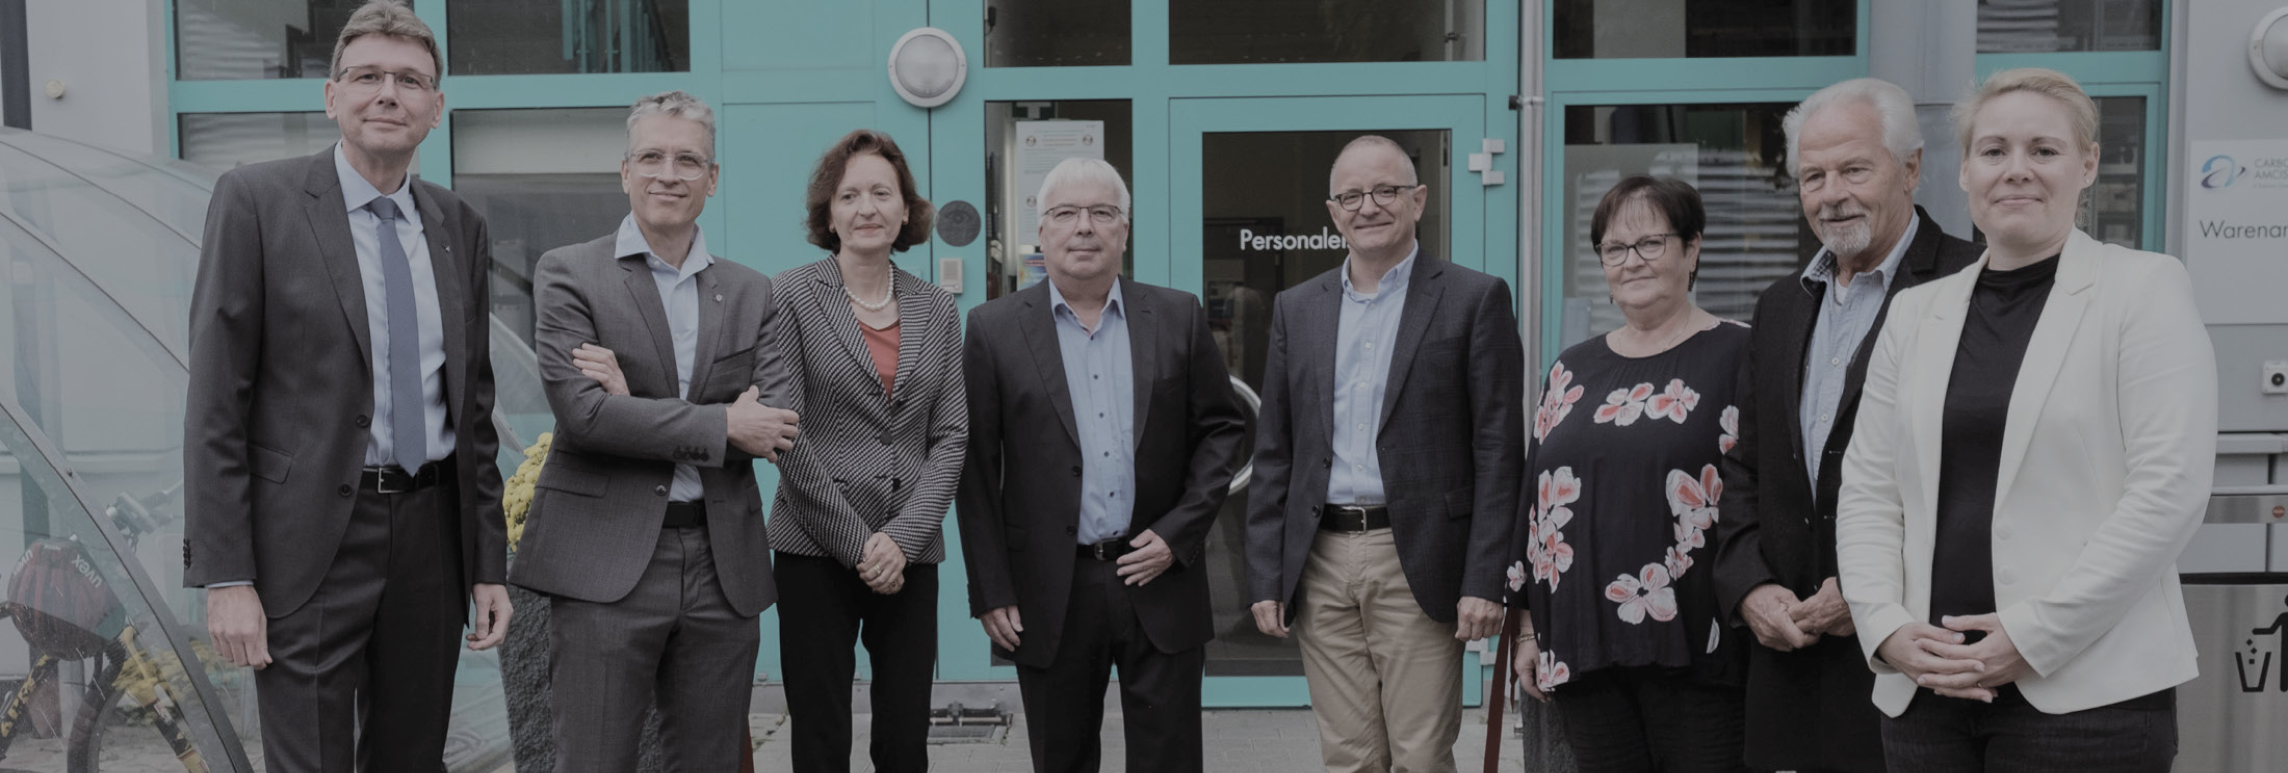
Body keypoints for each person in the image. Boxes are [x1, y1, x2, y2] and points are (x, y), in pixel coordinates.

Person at [1835, 67, 2217, 772]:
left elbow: (2169, 490)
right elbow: (1868, 491)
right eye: (1994, 151)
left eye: (2043, 150)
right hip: (1927, 695)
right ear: (1965, 172)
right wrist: (1885, 626)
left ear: (2088, 165)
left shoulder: (2143, 290)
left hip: (2088, 699)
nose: (2017, 171)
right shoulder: (1918, 312)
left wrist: (2032, 635)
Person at [182, 2, 511, 769]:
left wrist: (488, 562)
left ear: (436, 107)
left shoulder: (459, 226)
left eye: (409, 80)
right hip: (306, 544)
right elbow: (215, 404)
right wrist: (227, 574)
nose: (388, 93)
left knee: (412, 757)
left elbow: (475, 409)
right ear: (332, 97)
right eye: (367, 76)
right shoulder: (256, 202)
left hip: (431, 538)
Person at [513, 90, 801, 772]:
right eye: (651, 156)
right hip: (603, 564)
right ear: (624, 171)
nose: (667, 173)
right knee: (593, 759)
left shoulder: (753, 290)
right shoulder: (569, 272)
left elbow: (777, 422)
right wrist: (722, 419)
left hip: (719, 559)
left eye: (686, 159)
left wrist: (633, 399)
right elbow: (583, 416)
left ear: (713, 177)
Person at [1709, 78, 1983, 773]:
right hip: (1789, 656)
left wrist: (1867, 587)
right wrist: (1748, 586)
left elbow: (1977, 475)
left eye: (1854, 169)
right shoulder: (1778, 305)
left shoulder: (1969, 286)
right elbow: (1747, 467)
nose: (1832, 192)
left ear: (1911, 168)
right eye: (1813, 175)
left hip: (1914, 656)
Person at [957, 157, 1247, 773]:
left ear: (1124, 230)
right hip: (1049, 587)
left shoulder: (1177, 315)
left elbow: (1223, 430)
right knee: (1061, 759)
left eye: (1102, 213)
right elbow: (976, 470)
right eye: (1065, 214)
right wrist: (991, 588)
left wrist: (1178, 534)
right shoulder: (993, 329)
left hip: (1159, 574)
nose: (1083, 227)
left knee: (1169, 759)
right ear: (1042, 232)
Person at [1245, 135, 1524, 773]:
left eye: (1385, 191)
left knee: (1420, 756)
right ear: (1333, 210)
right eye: (1351, 195)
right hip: (1320, 558)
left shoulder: (1473, 298)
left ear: (1417, 200)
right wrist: (1266, 572)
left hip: (1419, 555)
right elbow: (1275, 451)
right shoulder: (1298, 308)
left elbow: (1500, 453)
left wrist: (1486, 579)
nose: (1368, 206)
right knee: (1348, 757)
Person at [1507, 176, 1750, 773]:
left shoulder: (1742, 353)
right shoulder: (1571, 368)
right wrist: (1529, 632)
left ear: (1692, 250)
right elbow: (1535, 507)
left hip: (1699, 641)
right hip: (1584, 641)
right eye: (1615, 249)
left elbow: (1763, 491)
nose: (1631, 262)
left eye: (1651, 243)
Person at [769, 129, 967, 773]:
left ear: (906, 210)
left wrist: (903, 539)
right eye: (849, 195)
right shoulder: (792, 295)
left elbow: (951, 435)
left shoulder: (938, 308)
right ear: (828, 213)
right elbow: (786, 433)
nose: (867, 208)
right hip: (813, 548)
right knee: (822, 737)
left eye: (882, 193)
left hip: (909, 550)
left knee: (905, 739)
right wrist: (859, 544)